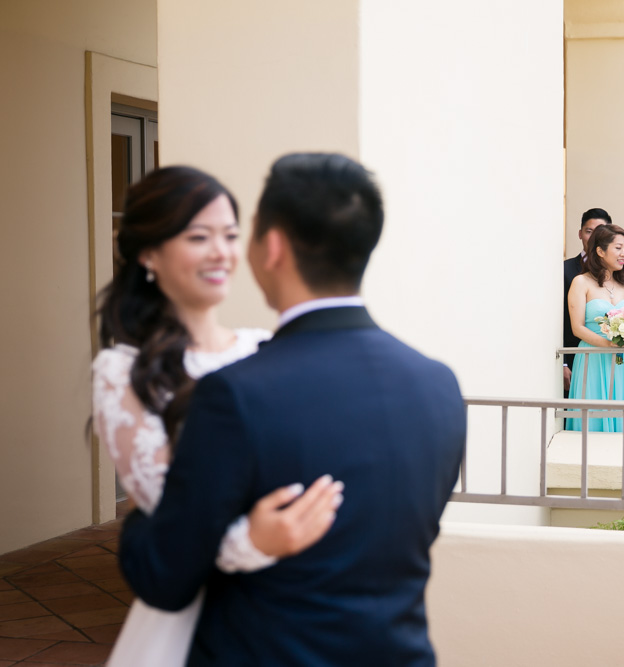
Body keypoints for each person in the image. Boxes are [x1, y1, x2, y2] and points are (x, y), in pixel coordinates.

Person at [117, 153, 466, 665]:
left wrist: (140, 521)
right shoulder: (437, 385)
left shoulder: (235, 395)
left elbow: (165, 578)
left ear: (272, 246)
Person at [92, 166, 343, 667]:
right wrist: (254, 539)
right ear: (148, 253)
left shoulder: (267, 347)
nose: (221, 252)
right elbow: (172, 516)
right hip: (199, 613)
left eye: (230, 236)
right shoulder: (123, 371)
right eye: (198, 236)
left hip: (295, 602)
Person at [566, 223, 624, 433]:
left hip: (622, 361)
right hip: (592, 356)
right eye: (618, 248)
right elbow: (577, 327)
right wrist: (608, 343)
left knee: (622, 412)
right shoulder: (581, 282)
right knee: (593, 414)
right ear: (600, 251)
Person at [564, 208, 611, 393]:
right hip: (577, 356)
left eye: (600, 232)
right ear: (580, 234)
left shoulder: (619, 274)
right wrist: (563, 363)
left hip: (614, 358)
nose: (593, 238)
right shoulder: (565, 270)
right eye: (589, 231)